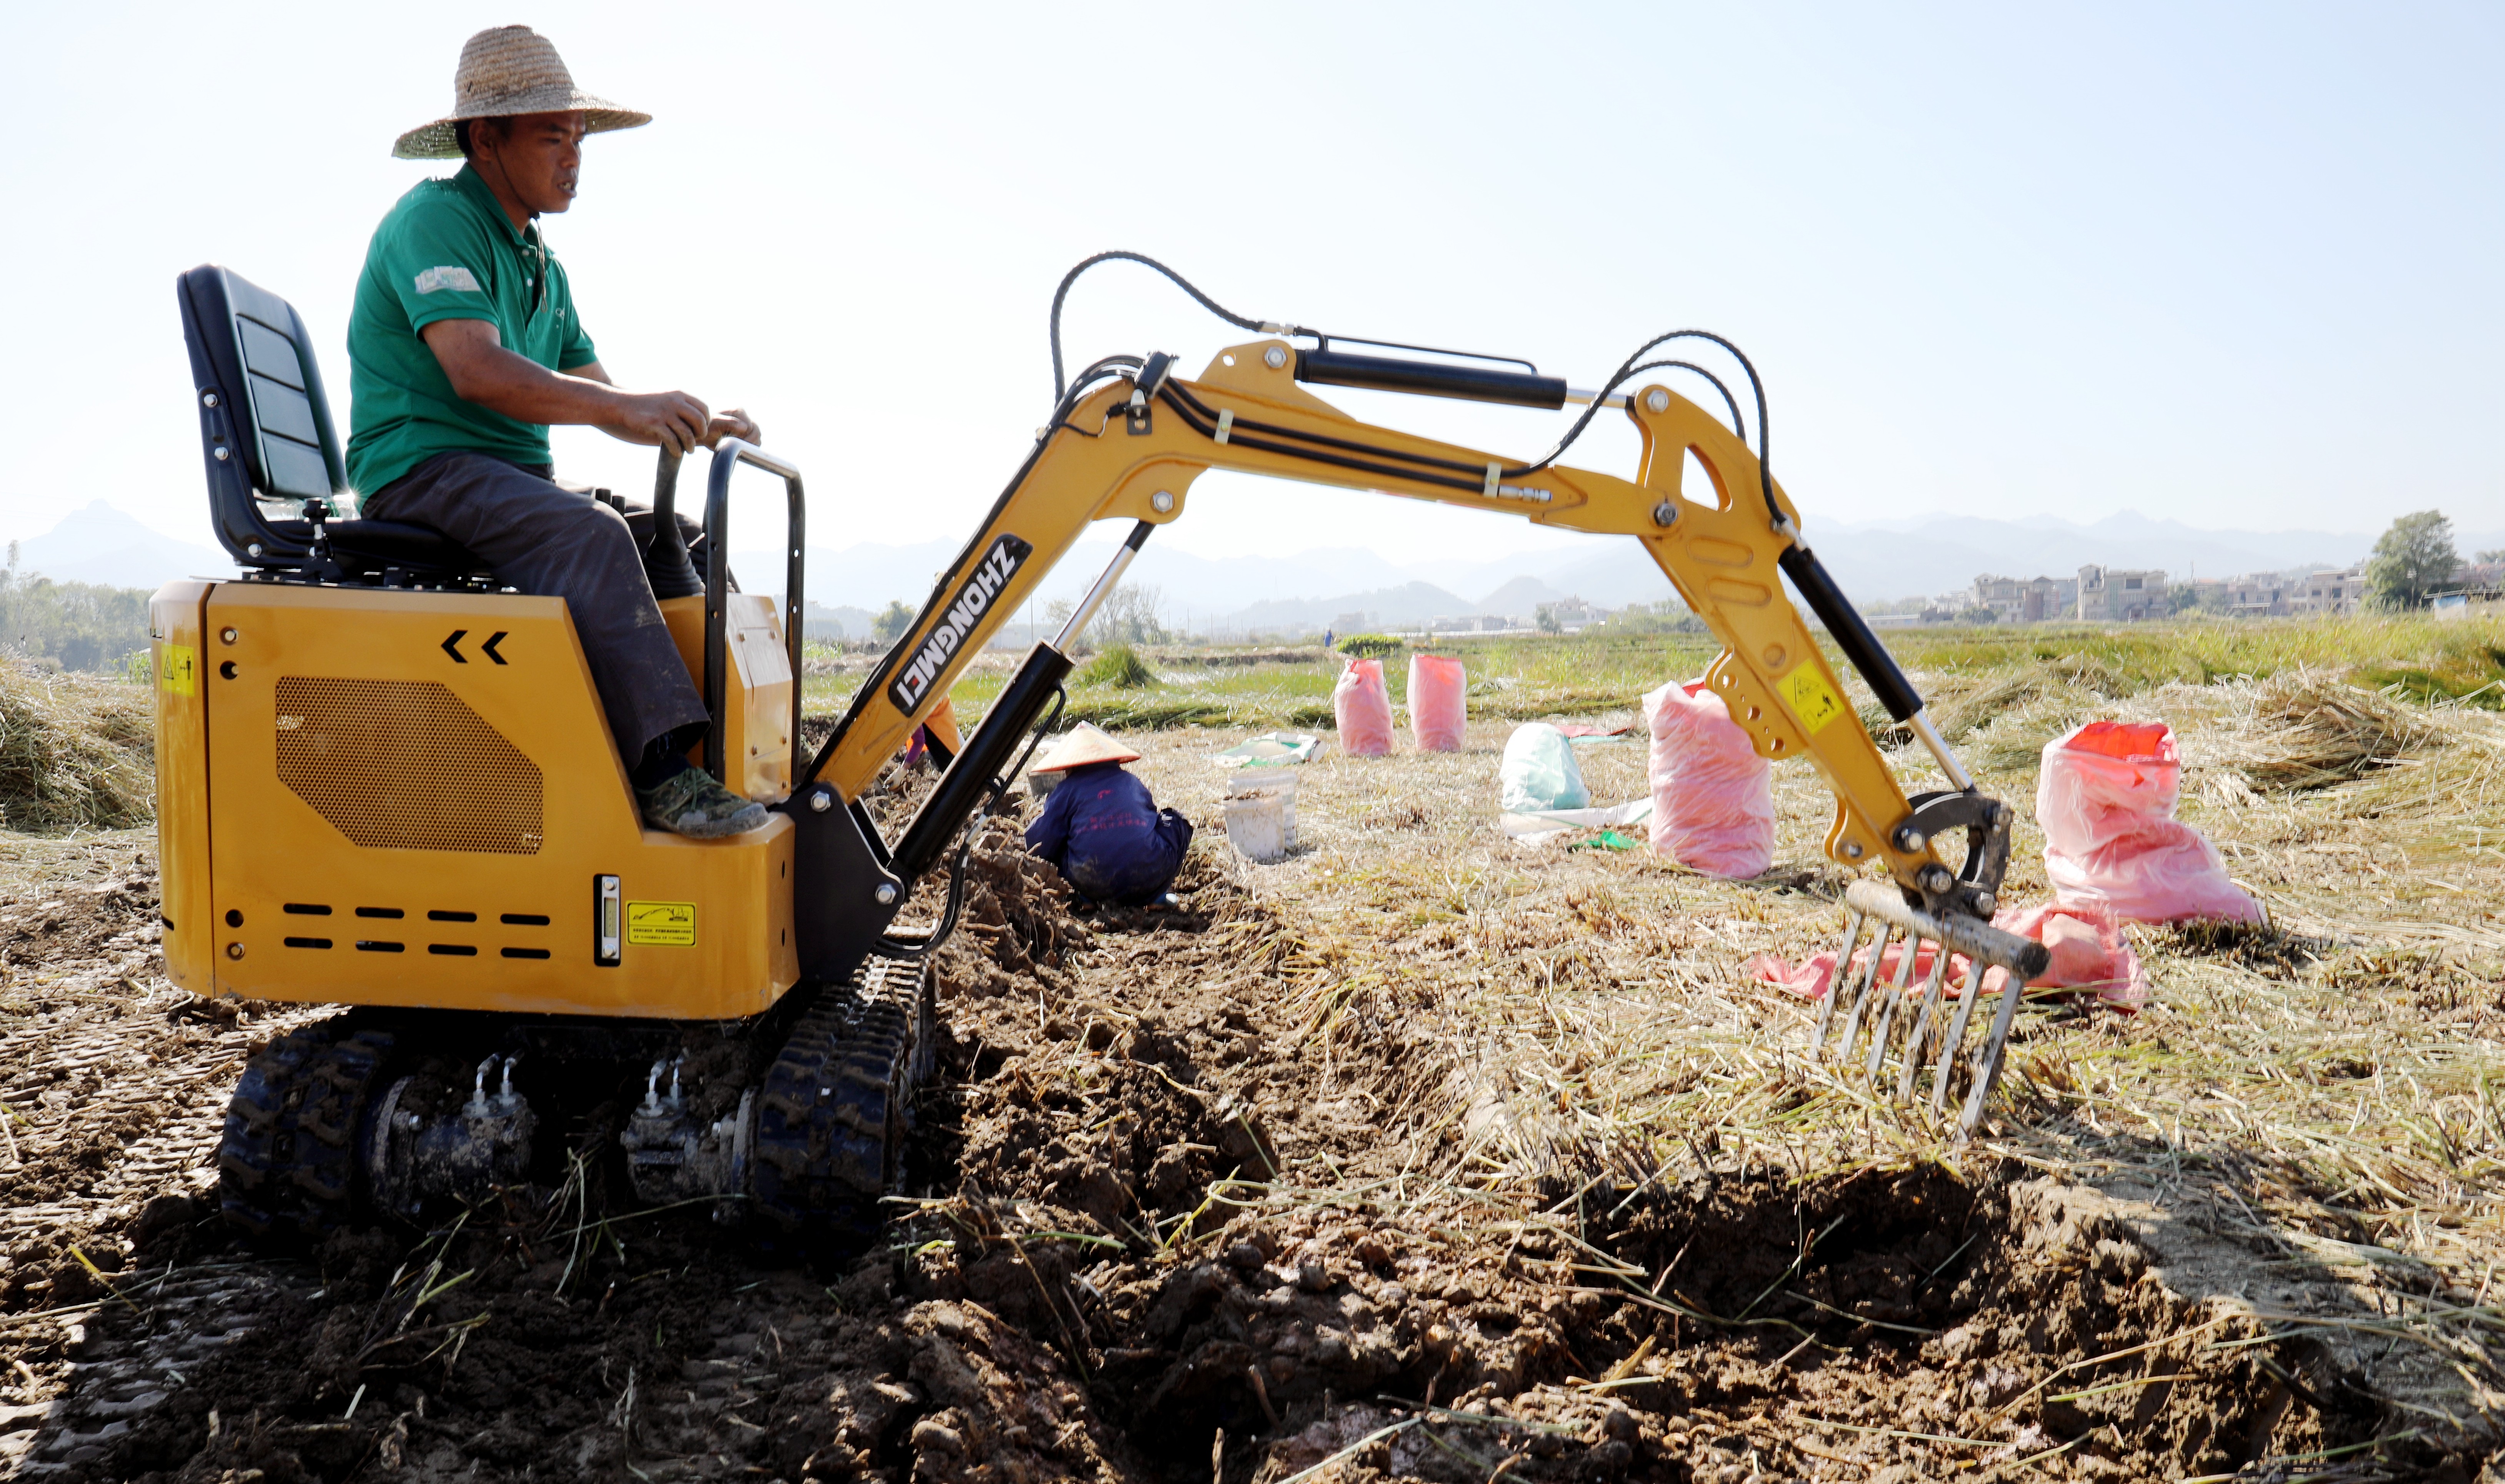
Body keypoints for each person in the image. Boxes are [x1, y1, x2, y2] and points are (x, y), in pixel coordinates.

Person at [348, 25, 766, 839]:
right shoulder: (434, 223)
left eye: (578, 137)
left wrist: (696, 425)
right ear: (485, 139)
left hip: (504, 482)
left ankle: (737, 751)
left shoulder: (542, 265)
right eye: (552, 136)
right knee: (595, 537)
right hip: (422, 467)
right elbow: (477, 370)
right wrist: (627, 409)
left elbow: (601, 394)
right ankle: (661, 778)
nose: (574, 156)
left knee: (681, 540)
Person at [1024, 724, 1195, 905]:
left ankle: (1087, 899)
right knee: (1174, 820)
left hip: (1092, 878)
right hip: (1150, 874)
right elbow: (1150, 818)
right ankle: (1157, 896)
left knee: (1059, 837)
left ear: (1070, 767)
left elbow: (1039, 841)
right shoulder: (1131, 782)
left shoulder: (1066, 790)